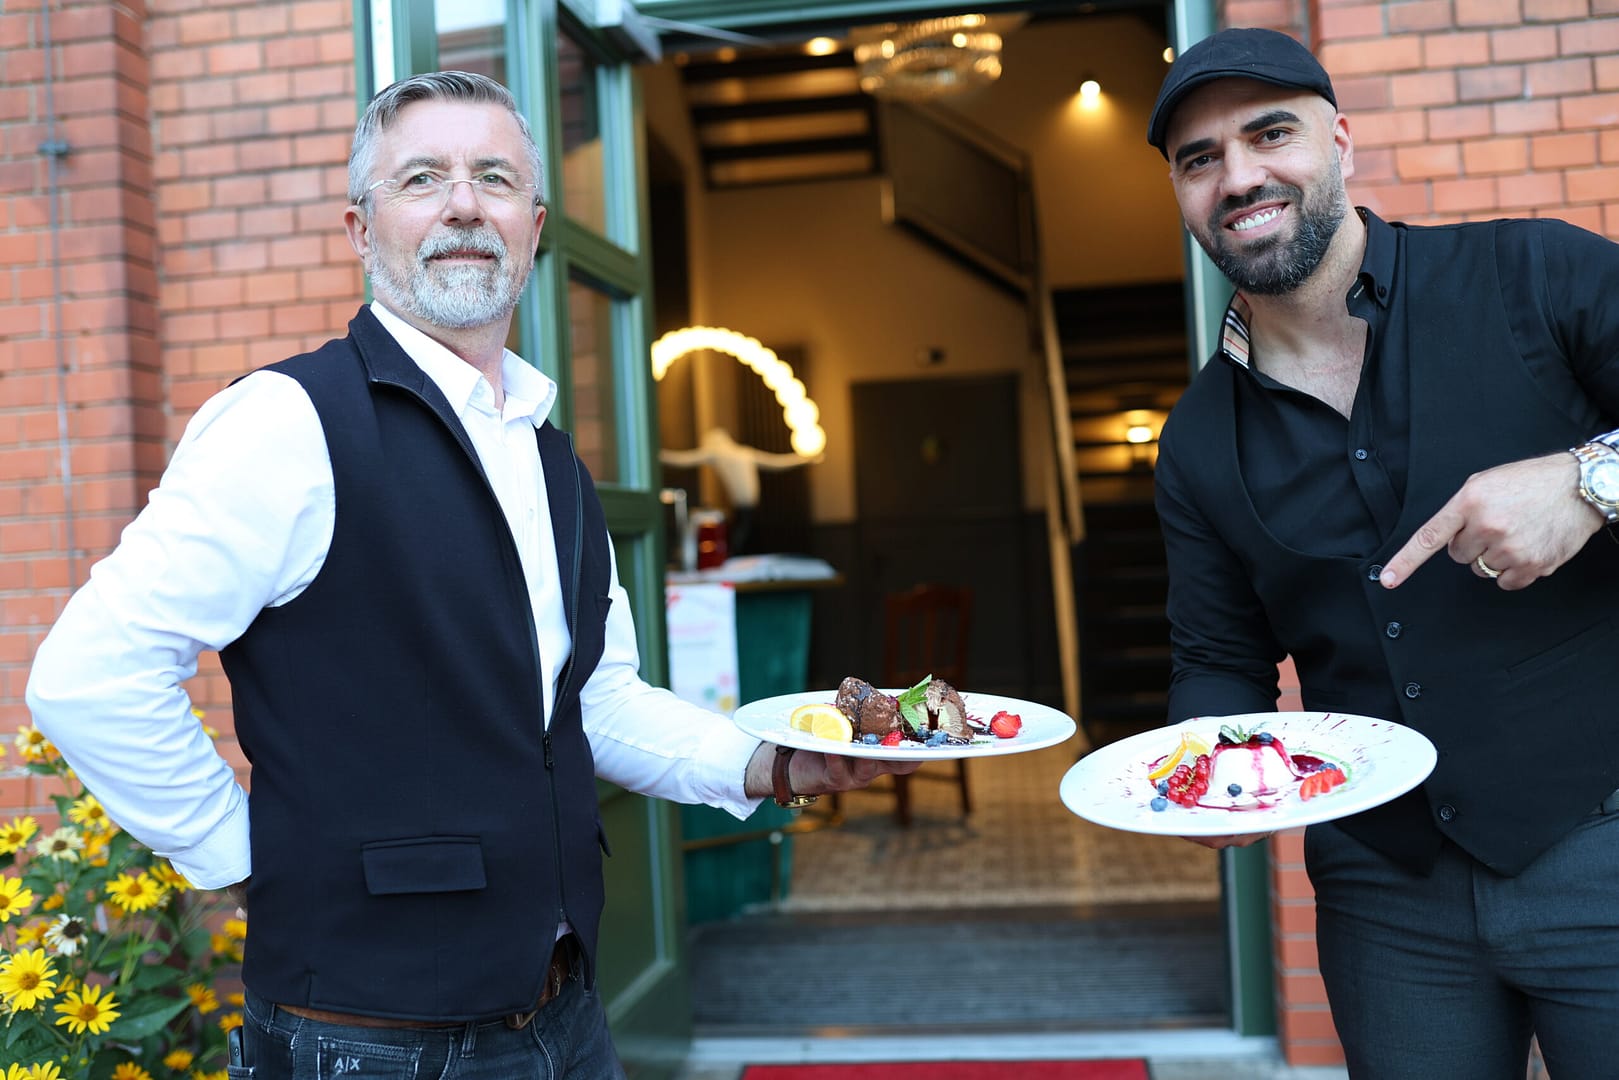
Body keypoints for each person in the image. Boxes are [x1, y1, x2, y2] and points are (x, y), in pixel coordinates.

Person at [24, 70, 916, 1079]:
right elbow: (89, 677)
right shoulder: (284, 422)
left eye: (492, 177)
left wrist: (776, 764)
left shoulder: (551, 460)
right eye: (422, 178)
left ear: (531, 226)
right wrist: (243, 858)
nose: (462, 202)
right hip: (365, 1037)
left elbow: (598, 703)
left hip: (563, 1014)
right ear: (361, 230)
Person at [1145, 27, 1619, 1080]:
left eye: (1269, 133)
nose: (1239, 176)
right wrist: (1197, 774)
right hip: (1382, 893)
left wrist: (1591, 480)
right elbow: (1217, 658)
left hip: (1602, 841)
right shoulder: (1191, 439)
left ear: (1340, 139)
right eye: (1198, 159)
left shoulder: (1532, 273)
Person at [660, 426, 819, 554]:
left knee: (740, 542)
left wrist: (658, 455)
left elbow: (683, 460)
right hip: (749, 505)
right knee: (745, 539)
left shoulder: (717, 453)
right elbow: (777, 463)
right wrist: (802, 459)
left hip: (744, 506)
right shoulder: (744, 452)